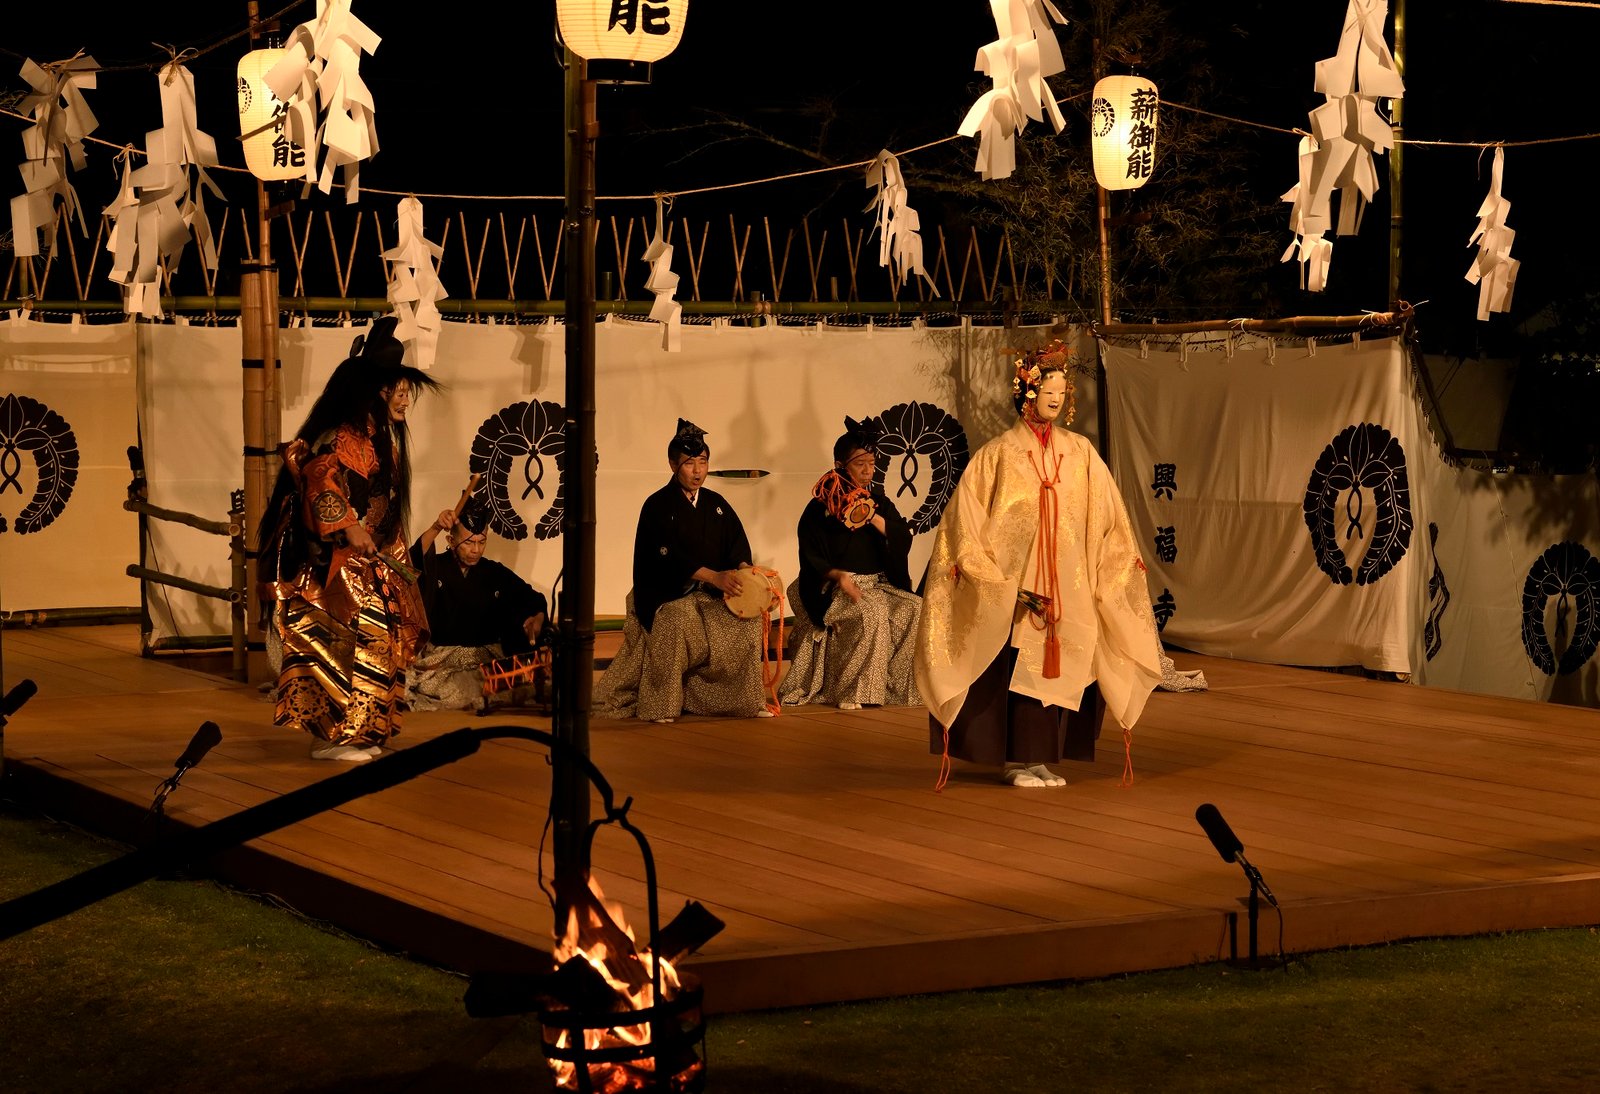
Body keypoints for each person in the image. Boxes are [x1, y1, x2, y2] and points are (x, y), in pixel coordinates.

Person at [915, 340, 1163, 788]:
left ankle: (1042, 758)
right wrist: (998, 583)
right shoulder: (997, 456)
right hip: (1017, 588)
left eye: (1062, 392)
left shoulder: (1081, 453)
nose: (1056, 398)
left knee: (1065, 662)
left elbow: (1109, 517)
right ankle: (1016, 760)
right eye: (1048, 390)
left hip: (1070, 584)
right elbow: (965, 524)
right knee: (1018, 665)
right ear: (1027, 392)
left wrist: (1110, 568)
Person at [258, 316, 440, 762]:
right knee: (347, 647)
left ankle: (363, 732)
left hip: (367, 562)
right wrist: (347, 525)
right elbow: (318, 478)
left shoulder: (379, 440)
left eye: (406, 391)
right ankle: (335, 736)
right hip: (334, 566)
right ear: (375, 392)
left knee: (378, 644)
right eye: (398, 390)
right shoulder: (342, 437)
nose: (405, 399)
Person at [594, 418, 773, 723]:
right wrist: (714, 576)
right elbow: (666, 557)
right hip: (669, 594)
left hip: (712, 594)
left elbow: (736, 548)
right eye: (690, 463)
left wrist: (746, 570)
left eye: (703, 462)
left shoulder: (716, 504)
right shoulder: (657, 505)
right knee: (677, 621)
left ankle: (741, 702)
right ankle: (660, 706)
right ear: (673, 465)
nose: (698, 471)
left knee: (747, 623)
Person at [779, 429, 922, 709]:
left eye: (872, 463)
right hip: (836, 587)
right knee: (871, 611)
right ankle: (853, 692)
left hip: (878, 584)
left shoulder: (879, 502)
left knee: (915, 609)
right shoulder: (819, 508)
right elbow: (810, 555)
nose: (868, 471)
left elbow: (902, 538)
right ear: (839, 465)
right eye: (860, 464)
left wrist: (872, 517)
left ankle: (893, 690)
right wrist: (837, 576)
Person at [405, 498, 549, 711]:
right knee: (435, 687)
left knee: (526, 679)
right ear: (451, 540)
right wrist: (436, 527)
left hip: (486, 658)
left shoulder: (494, 572)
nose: (476, 550)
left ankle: (488, 693)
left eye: (481, 542)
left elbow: (533, 600)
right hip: (444, 659)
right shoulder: (436, 568)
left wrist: (537, 619)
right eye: (469, 543)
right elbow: (410, 563)